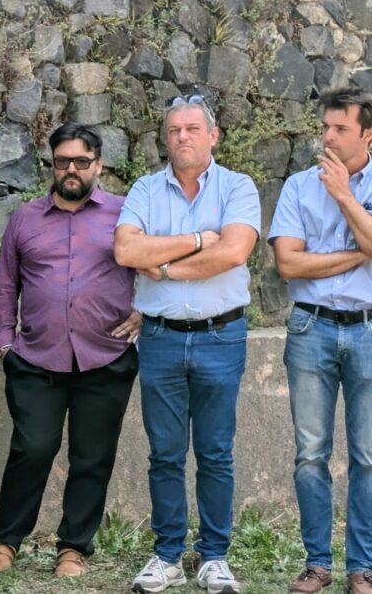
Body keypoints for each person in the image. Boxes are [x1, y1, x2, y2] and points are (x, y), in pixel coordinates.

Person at [0, 123, 140, 579]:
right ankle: (6, 540)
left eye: (81, 161)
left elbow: (154, 264)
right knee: (32, 448)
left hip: (106, 355)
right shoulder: (24, 219)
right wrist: (5, 344)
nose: (71, 169)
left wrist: (145, 311)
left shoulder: (126, 214)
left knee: (92, 456)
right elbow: (4, 285)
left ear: (98, 165)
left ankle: (74, 547)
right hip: (36, 358)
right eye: (62, 161)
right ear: (52, 165)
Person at [115, 94, 260, 594]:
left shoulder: (238, 187)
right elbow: (126, 249)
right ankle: (168, 556)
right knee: (165, 453)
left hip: (222, 336)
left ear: (213, 136)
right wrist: (199, 240)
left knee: (216, 453)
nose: (182, 137)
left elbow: (234, 252)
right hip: (160, 337)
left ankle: (214, 556)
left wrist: (163, 268)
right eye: (174, 129)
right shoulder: (145, 188)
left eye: (193, 128)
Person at [268, 87, 372, 594]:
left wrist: (345, 197)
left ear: (367, 135)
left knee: (368, 456)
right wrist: (360, 253)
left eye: (340, 129)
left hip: (369, 328)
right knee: (311, 454)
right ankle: (317, 564)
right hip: (310, 327)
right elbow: (288, 263)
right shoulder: (297, 186)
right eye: (325, 127)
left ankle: (362, 568)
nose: (327, 137)